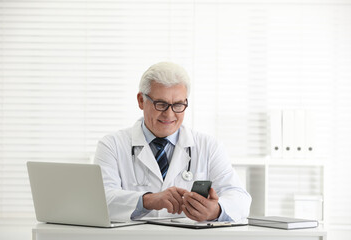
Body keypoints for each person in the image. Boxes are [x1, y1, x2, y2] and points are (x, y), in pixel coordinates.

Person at [94, 62, 251, 222]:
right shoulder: (112, 145)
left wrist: (216, 210)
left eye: (178, 105)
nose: (169, 115)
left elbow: (240, 198)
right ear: (141, 100)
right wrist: (148, 200)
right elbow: (100, 200)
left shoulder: (209, 146)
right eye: (160, 104)